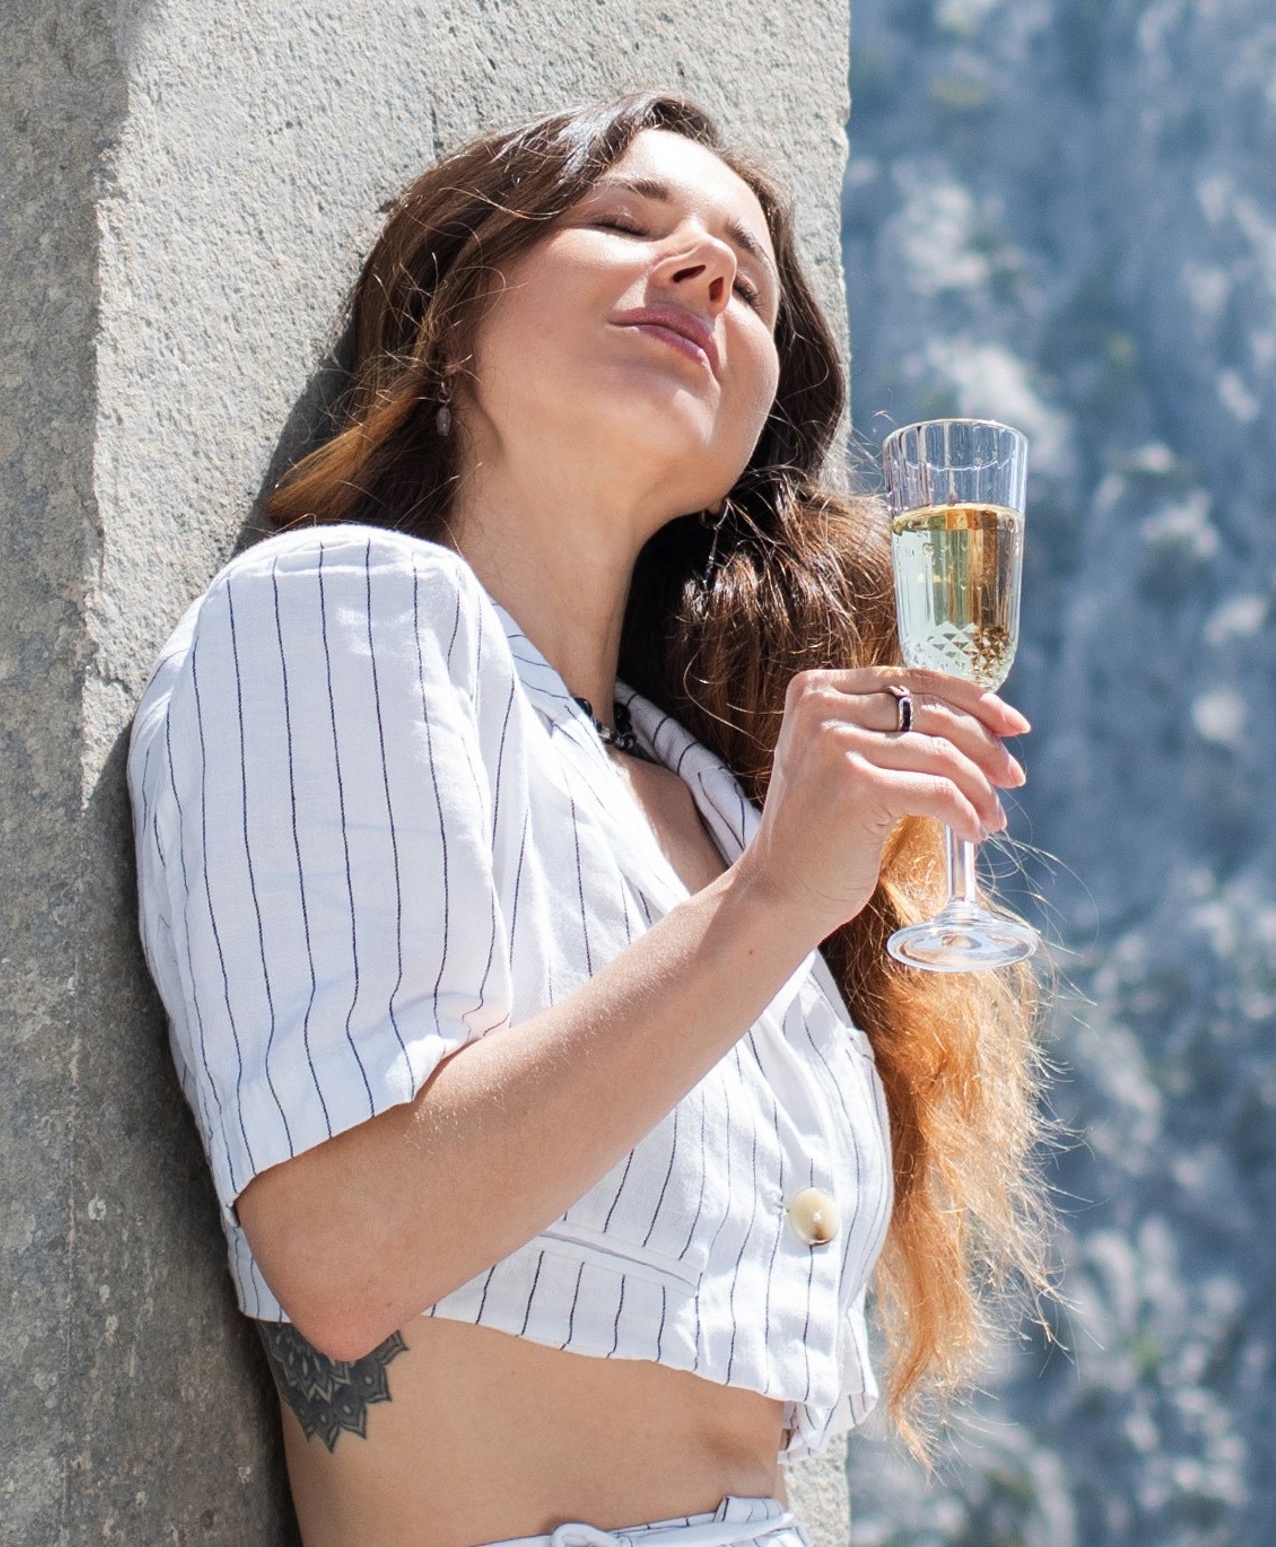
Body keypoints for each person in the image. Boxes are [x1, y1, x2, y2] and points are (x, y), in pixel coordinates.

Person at [127, 93, 1050, 1547]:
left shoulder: (717, 794)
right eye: (625, 224)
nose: (702, 272)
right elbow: (347, 1250)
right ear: (454, 315)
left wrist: (782, 883)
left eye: (746, 282)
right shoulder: (342, 614)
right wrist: (765, 916)